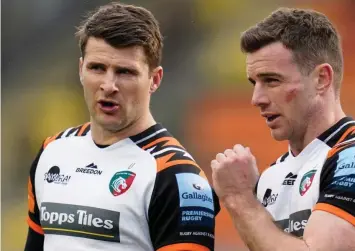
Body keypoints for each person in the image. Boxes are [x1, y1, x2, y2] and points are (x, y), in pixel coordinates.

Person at [211, 7, 355, 251]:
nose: (257, 98)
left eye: (272, 81)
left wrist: (239, 198)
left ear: (321, 79)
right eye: (254, 83)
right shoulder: (272, 176)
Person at [24, 3, 219, 251]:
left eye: (125, 72)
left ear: (154, 79)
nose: (108, 85)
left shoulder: (176, 177)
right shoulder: (52, 151)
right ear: (81, 69)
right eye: (97, 68)